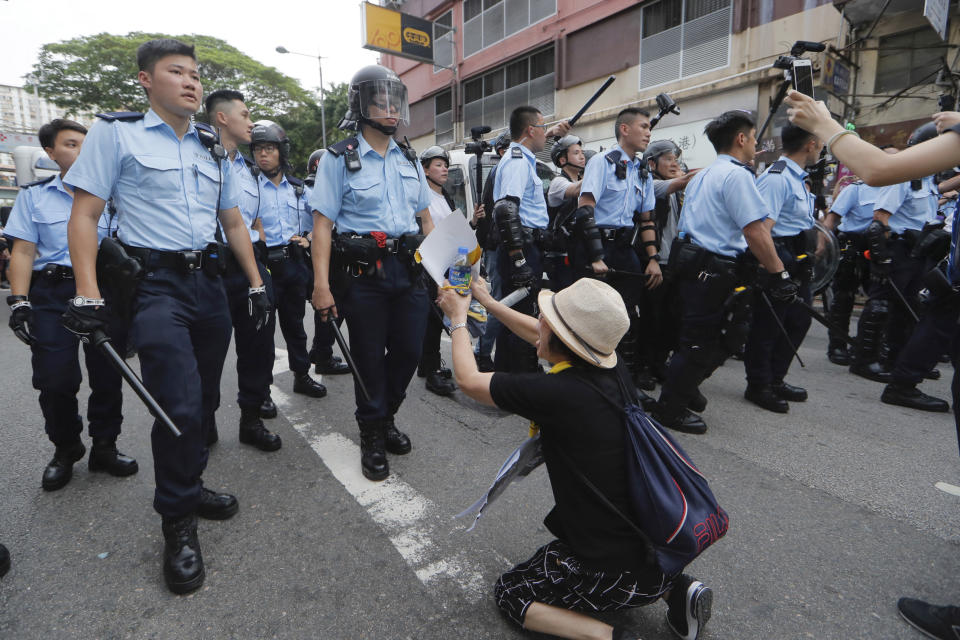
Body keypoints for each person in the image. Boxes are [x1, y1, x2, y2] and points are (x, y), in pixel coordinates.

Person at [62, 38, 269, 594]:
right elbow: (84, 215)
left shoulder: (211, 146)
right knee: (174, 401)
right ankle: (177, 522)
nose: (191, 82)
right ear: (145, 81)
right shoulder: (116, 132)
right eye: (176, 71)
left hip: (209, 283)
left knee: (202, 401)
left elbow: (232, 222)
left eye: (196, 74)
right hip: (154, 287)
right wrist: (86, 295)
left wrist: (254, 284)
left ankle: (191, 481)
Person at [436, 277, 712, 640]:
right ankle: (679, 591)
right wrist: (486, 301)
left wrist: (457, 317)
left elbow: (469, 380)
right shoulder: (613, 372)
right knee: (597, 549)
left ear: (561, 338)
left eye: (546, 319)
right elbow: (540, 334)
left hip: (612, 571)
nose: (539, 322)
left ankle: (609, 636)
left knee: (512, 592)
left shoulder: (557, 393)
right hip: (661, 552)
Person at [787, 90, 960, 640]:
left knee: (893, 320)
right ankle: (862, 358)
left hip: (915, 255)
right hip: (889, 253)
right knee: (871, 314)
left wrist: (825, 120)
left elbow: (882, 170)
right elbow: (871, 190)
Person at [309, 64, 433, 481]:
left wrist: (444, 274)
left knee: (409, 353)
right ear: (361, 105)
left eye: (396, 102)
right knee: (368, 359)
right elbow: (322, 226)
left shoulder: (410, 157)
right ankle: (372, 434)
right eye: (381, 102)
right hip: (363, 275)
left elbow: (426, 220)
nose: (391, 110)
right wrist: (321, 287)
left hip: (408, 270)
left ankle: (387, 415)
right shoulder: (337, 158)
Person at [5, 118, 137, 491]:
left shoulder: (114, 195)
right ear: (50, 152)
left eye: (85, 143)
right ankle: (66, 447)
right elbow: (24, 251)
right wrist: (19, 301)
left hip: (106, 289)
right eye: (70, 144)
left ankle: (105, 447)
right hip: (54, 293)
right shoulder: (34, 196)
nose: (80, 150)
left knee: (108, 373)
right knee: (55, 378)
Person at [652, 111, 793, 434]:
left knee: (704, 338)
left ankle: (684, 386)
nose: (756, 144)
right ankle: (669, 408)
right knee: (704, 341)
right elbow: (755, 230)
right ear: (741, 139)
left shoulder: (703, 174)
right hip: (710, 268)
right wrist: (779, 273)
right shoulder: (737, 176)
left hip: (691, 264)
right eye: (755, 137)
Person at [204, 89, 281, 451]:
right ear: (223, 118)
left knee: (258, 346)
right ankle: (204, 421)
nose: (252, 123)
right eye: (246, 115)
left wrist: (258, 267)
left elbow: (253, 220)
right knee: (207, 353)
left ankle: (251, 418)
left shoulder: (250, 170)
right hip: (210, 266)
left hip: (249, 263)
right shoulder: (198, 157)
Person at [576, 108, 663, 394]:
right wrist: (596, 257)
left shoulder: (643, 172)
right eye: (644, 126)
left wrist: (653, 260)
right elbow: (585, 208)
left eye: (650, 127)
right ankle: (584, 378)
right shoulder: (602, 162)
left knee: (626, 317)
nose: (649, 132)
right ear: (624, 129)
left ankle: (621, 382)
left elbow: (647, 219)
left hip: (625, 248)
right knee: (592, 315)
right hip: (597, 246)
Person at [741, 124, 824, 413]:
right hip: (780, 257)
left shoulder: (799, 178)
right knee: (769, 325)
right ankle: (759, 384)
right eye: (820, 142)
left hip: (799, 259)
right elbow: (763, 229)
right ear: (810, 144)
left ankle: (776, 379)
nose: (822, 147)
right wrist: (775, 271)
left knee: (798, 321)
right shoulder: (777, 178)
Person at [249, 120, 327, 399]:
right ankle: (263, 392)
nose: (263, 155)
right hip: (263, 266)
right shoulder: (250, 187)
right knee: (263, 333)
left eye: (269, 148)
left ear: (281, 151)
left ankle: (302, 375)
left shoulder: (298, 188)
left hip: (293, 265)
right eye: (258, 149)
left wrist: (307, 237)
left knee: (295, 326)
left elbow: (320, 220)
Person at [491, 106, 570, 373]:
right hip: (520, 246)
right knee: (521, 315)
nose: (546, 136)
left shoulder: (522, 156)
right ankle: (519, 375)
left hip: (527, 244)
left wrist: (553, 132)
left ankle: (511, 374)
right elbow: (506, 210)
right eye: (542, 128)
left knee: (521, 313)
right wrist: (519, 259)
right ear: (530, 130)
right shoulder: (516, 160)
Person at [820, 149, 898, 366]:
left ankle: (867, 348)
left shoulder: (897, 188)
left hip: (881, 250)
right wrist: (821, 248)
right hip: (854, 247)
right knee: (843, 298)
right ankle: (837, 346)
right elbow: (831, 220)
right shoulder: (857, 189)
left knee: (879, 302)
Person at [641, 140, 699, 388]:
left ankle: (658, 364)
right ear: (652, 163)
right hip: (655, 262)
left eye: (676, 158)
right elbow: (682, 181)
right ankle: (643, 368)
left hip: (674, 263)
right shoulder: (651, 185)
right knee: (650, 319)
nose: (674, 163)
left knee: (670, 319)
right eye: (668, 159)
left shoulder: (676, 191)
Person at [303, 148, 350, 378]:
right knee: (332, 307)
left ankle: (320, 351)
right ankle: (322, 355)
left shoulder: (308, 189)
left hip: (326, 255)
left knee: (330, 306)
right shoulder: (317, 191)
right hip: (328, 256)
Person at [417, 145, 458, 396]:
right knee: (433, 318)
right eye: (438, 164)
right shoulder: (423, 197)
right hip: (430, 263)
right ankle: (431, 371)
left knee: (440, 315)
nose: (444, 169)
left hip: (449, 262)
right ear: (425, 169)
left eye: (446, 165)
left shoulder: (446, 196)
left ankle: (426, 365)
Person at [473, 132, 511, 372]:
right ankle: (483, 351)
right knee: (498, 301)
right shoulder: (501, 171)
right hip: (498, 246)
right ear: (501, 151)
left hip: (502, 244)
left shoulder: (508, 169)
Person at [544, 134, 585, 290]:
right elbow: (576, 190)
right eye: (576, 153)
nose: (582, 156)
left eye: (582, 152)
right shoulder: (558, 182)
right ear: (562, 160)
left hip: (579, 252)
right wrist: (599, 168)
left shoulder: (580, 180)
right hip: (562, 257)